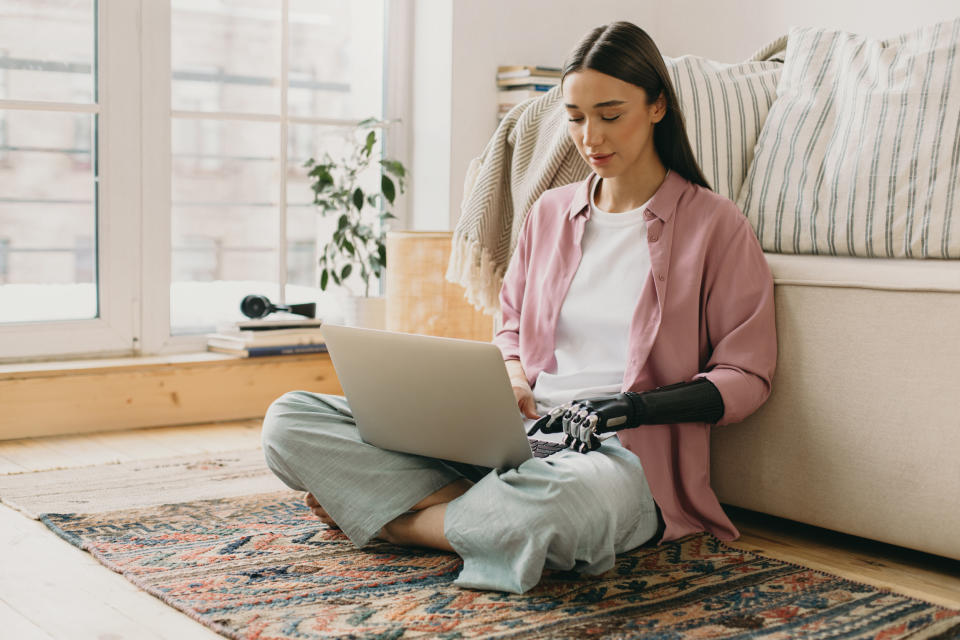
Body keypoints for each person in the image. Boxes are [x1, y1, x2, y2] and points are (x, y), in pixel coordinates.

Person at [260, 21, 776, 595]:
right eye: (576, 118)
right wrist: (509, 377)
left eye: (611, 114)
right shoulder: (550, 213)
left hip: (614, 458)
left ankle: (403, 522)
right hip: (513, 437)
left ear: (657, 107)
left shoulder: (715, 224)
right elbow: (510, 329)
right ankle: (478, 514)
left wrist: (630, 406)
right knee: (289, 419)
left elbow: (746, 377)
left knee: (557, 509)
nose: (590, 138)